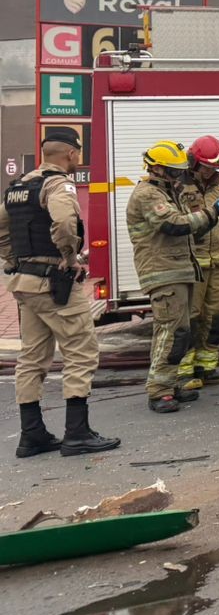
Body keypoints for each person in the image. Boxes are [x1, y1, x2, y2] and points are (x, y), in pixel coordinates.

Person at [1, 127, 120, 457]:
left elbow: (1, 227)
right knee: (81, 351)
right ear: (70, 154)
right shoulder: (58, 184)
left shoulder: (19, 187)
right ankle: (77, 433)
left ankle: (32, 435)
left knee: (32, 358)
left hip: (24, 284)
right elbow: (66, 223)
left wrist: (12, 258)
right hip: (55, 283)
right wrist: (69, 258)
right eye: (77, 154)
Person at [126, 140, 219, 413]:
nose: (177, 176)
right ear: (157, 168)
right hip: (162, 271)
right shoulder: (148, 194)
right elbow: (173, 224)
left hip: (176, 269)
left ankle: (169, 385)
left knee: (178, 331)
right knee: (171, 332)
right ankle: (159, 391)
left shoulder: (164, 191)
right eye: (173, 171)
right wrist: (212, 214)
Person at [177, 134, 219, 391]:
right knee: (191, 316)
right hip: (193, 263)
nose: (211, 171)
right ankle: (184, 371)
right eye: (207, 166)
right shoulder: (178, 187)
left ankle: (207, 367)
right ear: (193, 161)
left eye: (215, 167)